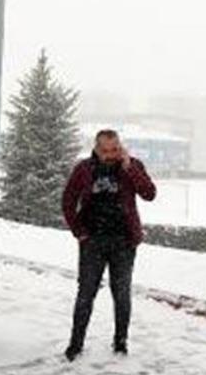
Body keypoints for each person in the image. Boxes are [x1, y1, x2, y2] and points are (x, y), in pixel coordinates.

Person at [61, 129, 157, 362]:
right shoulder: (84, 169)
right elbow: (67, 201)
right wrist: (80, 233)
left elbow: (149, 193)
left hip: (124, 242)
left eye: (115, 149)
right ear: (96, 148)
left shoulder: (131, 165)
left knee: (122, 295)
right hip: (92, 242)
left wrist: (129, 167)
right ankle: (75, 344)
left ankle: (120, 342)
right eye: (105, 150)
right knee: (85, 294)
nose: (110, 154)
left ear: (120, 147)